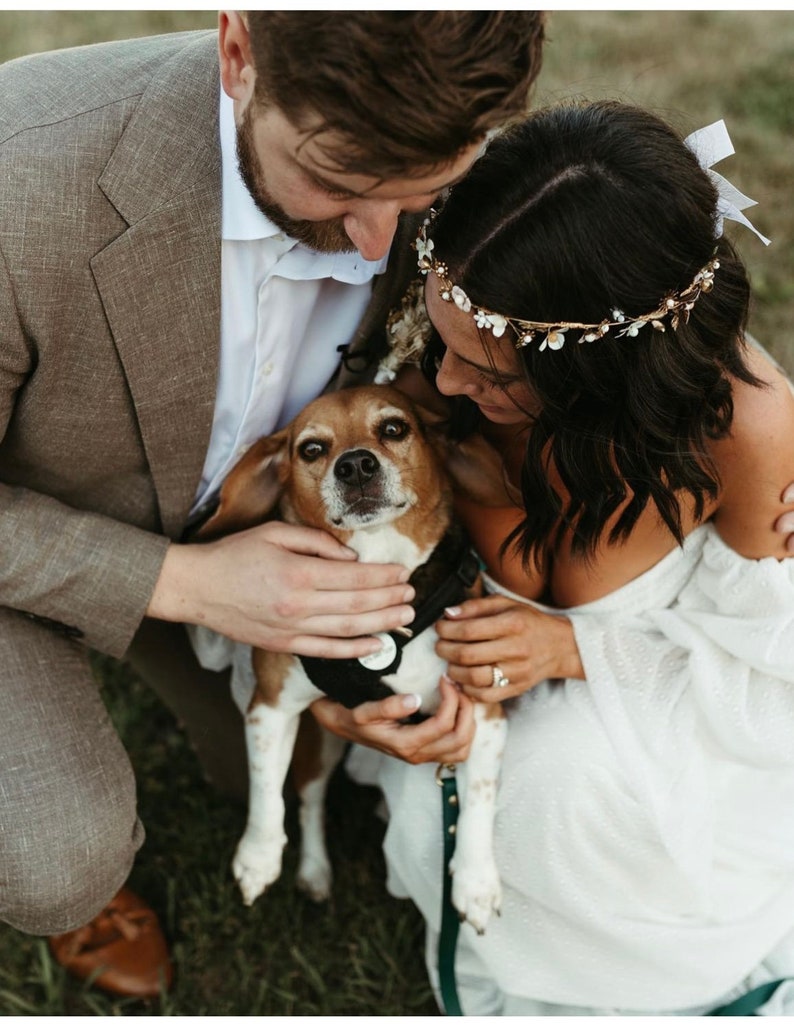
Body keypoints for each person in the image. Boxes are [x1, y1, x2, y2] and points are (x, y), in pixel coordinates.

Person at [0, 9, 545, 997]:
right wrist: (183, 581)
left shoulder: (441, 124)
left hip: (277, 515)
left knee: (280, 767)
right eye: (337, 183)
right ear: (238, 54)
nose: (379, 238)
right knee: (54, 855)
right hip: (28, 518)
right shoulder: (14, 186)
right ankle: (86, 888)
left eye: (418, 195)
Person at [338, 101, 794, 1015]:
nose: (447, 382)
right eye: (444, 338)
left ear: (603, 368)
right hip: (459, 688)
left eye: (495, 374)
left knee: (557, 778)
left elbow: (772, 672)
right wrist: (350, 706)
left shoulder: (744, 432)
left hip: (664, 713)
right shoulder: (436, 365)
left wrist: (572, 650)